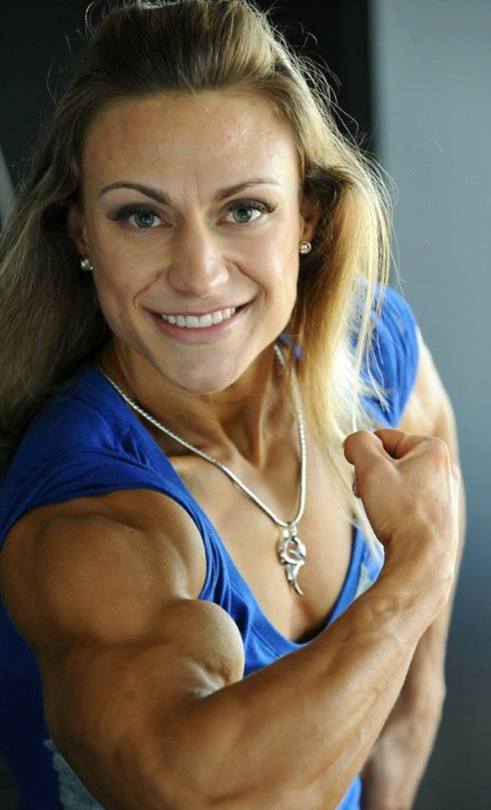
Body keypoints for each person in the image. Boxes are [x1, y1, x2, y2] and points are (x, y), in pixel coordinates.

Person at [0, 1, 464, 808]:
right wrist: (415, 574)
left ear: (307, 217)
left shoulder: (373, 350)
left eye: (243, 209)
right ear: (81, 235)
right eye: (141, 216)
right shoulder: (91, 520)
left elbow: (413, 697)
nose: (198, 273)